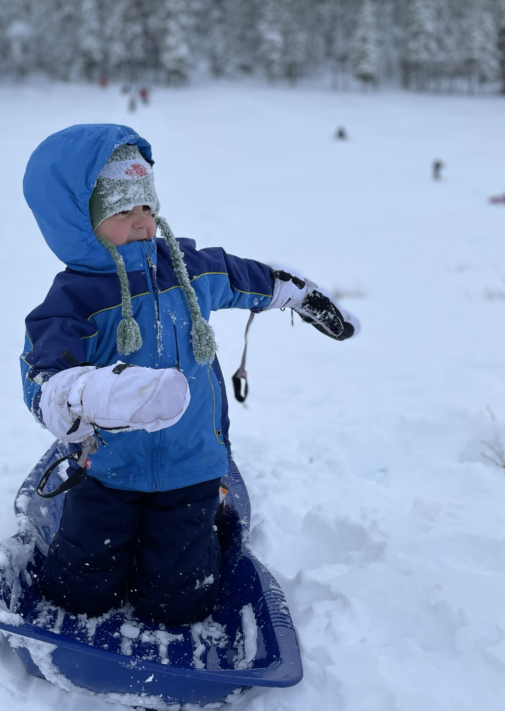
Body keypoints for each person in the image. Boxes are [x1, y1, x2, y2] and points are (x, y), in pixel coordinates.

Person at [21, 124, 359, 626]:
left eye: (146, 208)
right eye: (120, 211)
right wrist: (79, 394)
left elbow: (241, 277)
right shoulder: (75, 300)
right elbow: (44, 372)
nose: (139, 222)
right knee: (80, 588)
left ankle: (188, 562)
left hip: (191, 467)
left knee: (179, 599)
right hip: (108, 469)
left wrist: (293, 293)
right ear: (78, 221)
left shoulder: (185, 270)